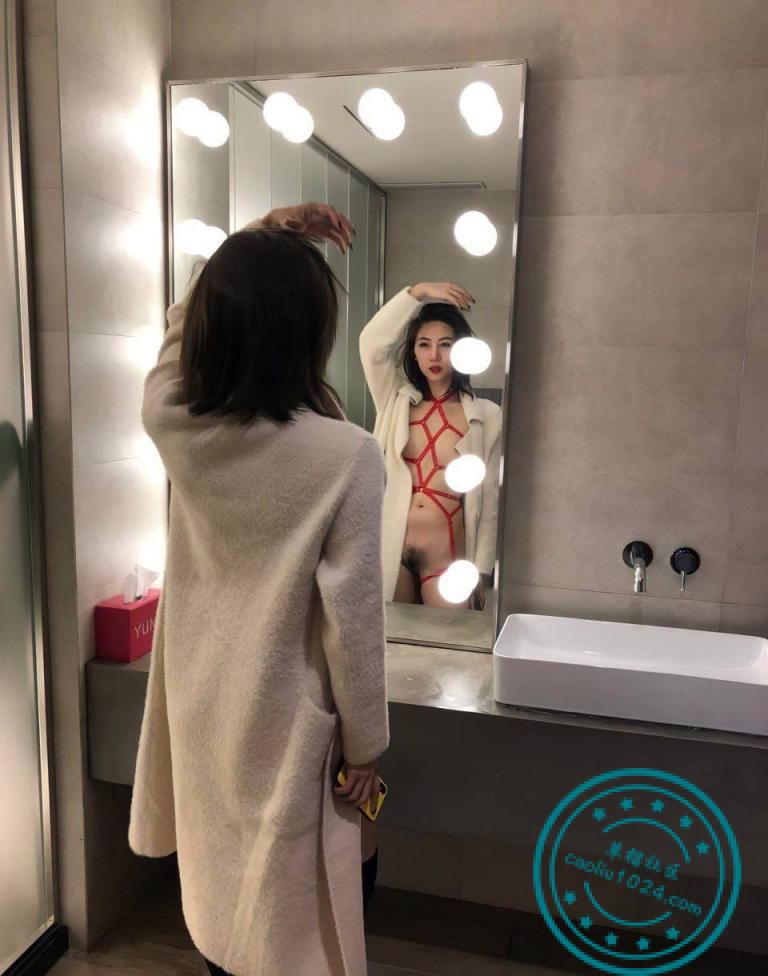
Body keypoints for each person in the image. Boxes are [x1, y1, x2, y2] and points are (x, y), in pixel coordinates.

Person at [128, 203, 389, 976]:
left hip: (204, 709)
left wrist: (250, 240)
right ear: (309, 331)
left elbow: (175, 340)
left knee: (222, 897)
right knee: (306, 918)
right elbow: (354, 625)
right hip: (288, 722)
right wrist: (367, 748)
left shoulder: (177, 422)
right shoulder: (347, 455)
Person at [359, 283, 502, 609]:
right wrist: (417, 292)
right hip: (392, 548)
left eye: (445, 345)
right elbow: (371, 344)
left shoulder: (487, 416)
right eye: (424, 344)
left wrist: (481, 571)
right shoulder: (395, 400)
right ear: (413, 352)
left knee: (448, 639)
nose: (434, 355)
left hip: (447, 554)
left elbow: (490, 498)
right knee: (392, 639)